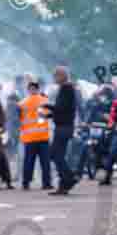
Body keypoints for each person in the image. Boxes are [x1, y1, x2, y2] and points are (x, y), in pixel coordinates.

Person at [42, 66, 77, 195]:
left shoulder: (66, 88)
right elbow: (63, 110)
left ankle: (69, 177)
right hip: (63, 125)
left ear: (62, 76)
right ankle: (64, 184)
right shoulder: (66, 88)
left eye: (56, 75)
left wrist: (47, 106)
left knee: (55, 154)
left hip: (64, 127)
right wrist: (49, 115)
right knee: (58, 155)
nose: (54, 78)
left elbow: (61, 108)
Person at [17, 80, 52, 190]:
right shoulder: (44, 101)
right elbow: (46, 116)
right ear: (38, 89)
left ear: (28, 90)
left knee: (28, 162)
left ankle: (25, 183)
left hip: (29, 138)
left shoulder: (22, 103)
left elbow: (19, 119)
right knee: (45, 162)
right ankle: (46, 183)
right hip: (42, 136)